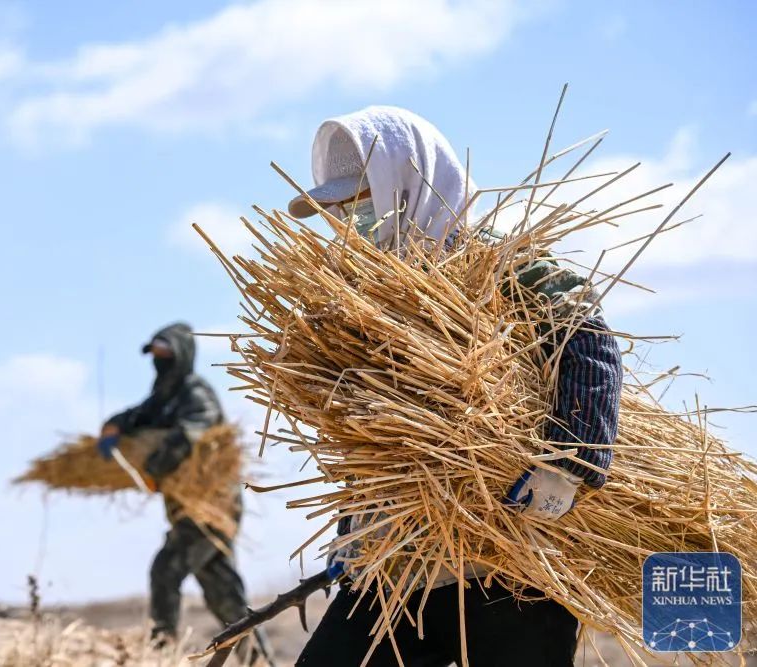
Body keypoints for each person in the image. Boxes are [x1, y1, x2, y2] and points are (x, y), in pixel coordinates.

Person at [286, 107, 623, 666]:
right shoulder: (359, 299)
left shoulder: (489, 261)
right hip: (396, 571)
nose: (351, 220)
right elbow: (376, 432)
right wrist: (353, 530)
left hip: (509, 565)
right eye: (339, 210)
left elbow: (586, 336)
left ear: (407, 180)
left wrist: (567, 462)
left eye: (361, 199)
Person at [98, 322, 274, 665]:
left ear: (182, 355)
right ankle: (261, 663)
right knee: (225, 596)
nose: (158, 360)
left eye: (165, 353)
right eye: (154, 354)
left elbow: (188, 436)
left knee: (165, 570)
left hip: (211, 507)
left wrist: (153, 469)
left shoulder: (196, 394)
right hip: (186, 509)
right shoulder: (165, 394)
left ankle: (162, 655)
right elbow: (140, 414)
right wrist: (116, 425)